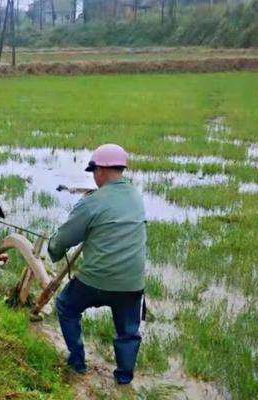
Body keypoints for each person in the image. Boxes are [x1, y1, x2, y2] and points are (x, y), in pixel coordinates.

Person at [48, 143, 146, 385]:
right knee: (128, 332)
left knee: (66, 306)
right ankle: (124, 378)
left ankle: (78, 363)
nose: (93, 177)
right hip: (133, 284)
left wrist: (53, 249)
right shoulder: (136, 197)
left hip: (96, 281)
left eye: (93, 171)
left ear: (100, 170)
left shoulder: (92, 201)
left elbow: (64, 239)